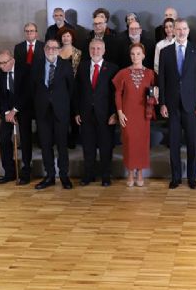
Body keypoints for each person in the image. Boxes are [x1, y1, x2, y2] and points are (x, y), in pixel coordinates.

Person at [158, 18, 196, 189]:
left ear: (188, 30)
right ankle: (176, 177)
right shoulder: (165, 52)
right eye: (178, 29)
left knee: (192, 142)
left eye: (184, 29)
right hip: (171, 105)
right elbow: (161, 80)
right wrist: (162, 103)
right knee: (174, 143)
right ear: (173, 31)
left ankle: (192, 178)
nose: (181, 32)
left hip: (192, 104)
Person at [74, 39, 119, 187]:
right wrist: (77, 112)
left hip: (106, 115)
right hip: (86, 114)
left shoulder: (112, 68)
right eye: (93, 48)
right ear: (89, 50)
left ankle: (106, 176)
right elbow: (77, 92)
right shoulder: (82, 67)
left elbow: (116, 94)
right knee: (88, 146)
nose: (95, 51)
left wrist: (114, 113)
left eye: (98, 49)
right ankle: (89, 175)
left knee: (106, 147)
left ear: (104, 50)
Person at [31, 39, 75, 190]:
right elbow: (33, 89)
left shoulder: (66, 65)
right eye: (48, 47)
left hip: (60, 112)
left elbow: (71, 90)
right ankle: (49, 175)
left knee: (62, 146)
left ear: (58, 50)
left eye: (54, 48)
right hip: (42, 113)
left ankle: (64, 176)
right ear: (44, 49)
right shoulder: (36, 66)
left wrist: (64, 106)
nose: (51, 50)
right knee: (45, 145)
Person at [113, 43, 157, 187]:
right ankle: (130, 173)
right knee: (130, 143)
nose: (135, 57)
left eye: (138, 54)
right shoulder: (123, 73)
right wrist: (119, 112)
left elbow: (155, 93)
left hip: (144, 114)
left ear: (143, 55)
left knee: (142, 144)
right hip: (128, 114)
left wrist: (155, 96)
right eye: (133, 54)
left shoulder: (150, 73)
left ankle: (140, 174)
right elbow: (118, 93)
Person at [0, 50, 31, 184]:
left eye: (4, 63)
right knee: (4, 140)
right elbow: (2, 93)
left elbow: (27, 93)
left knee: (26, 140)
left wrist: (15, 110)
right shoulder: (1, 71)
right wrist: (6, 112)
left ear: (12, 61)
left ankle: (26, 173)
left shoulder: (25, 69)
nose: (1, 66)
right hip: (8, 110)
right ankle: (9, 172)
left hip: (23, 108)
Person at [58, 26, 83, 148]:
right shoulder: (56, 52)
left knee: (74, 112)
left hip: (75, 86)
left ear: (72, 38)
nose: (66, 38)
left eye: (68, 36)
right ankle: (63, 138)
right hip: (60, 87)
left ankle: (73, 139)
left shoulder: (78, 52)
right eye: (64, 36)